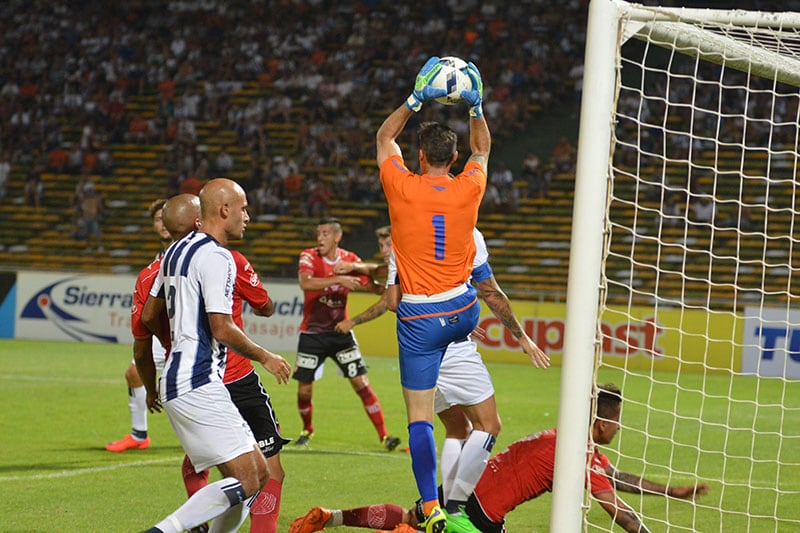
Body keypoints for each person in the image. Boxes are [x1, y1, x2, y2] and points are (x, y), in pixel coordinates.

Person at [290, 384, 710, 533]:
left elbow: (616, 478)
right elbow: (616, 508)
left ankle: (331, 517)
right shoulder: (580, 453)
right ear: (601, 424)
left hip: (466, 485)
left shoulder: (564, 439)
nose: (620, 429)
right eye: (617, 422)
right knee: (419, 526)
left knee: (417, 513)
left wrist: (672, 491)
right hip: (482, 515)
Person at [139, 178, 292, 533]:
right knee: (252, 478)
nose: (247, 217)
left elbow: (149, 316)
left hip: (181, 380)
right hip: (198, 382)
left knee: (257, 473)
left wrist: (175, 343)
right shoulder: (218, 257)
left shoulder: (174, 251)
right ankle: (165, 530)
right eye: (243, 208)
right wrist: (265, 356)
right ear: (224, 210)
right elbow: (222, 328)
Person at [375, 56, 488, 532]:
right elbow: (483, 150)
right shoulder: (470, 187)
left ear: (419, 157)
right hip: (464, 309)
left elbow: (384, 139)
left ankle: (431, 504)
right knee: (476, 419)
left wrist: (414, 99)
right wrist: (476, 107)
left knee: (419, 418)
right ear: (454, 158)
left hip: (421, 318)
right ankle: (461, 494)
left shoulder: (401, 186)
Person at [292, 217, 400, 451]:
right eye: (318, 233)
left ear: (337, 237)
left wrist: (389, 292)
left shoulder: (350, 259)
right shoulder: (309, 256)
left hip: (341, 333)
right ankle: (307, 429)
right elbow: (305, 283)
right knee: (305, 389)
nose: (320, 238)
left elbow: (371, 283)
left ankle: (384, 435)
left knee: (361, 383)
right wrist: (340, 279)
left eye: (325, 233)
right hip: (312, 334)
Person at [106, 198, 170, 452]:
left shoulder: (191, 250)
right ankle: (139, 434)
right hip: (165, 330)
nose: (163, 223)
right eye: (158, 219)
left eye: (167, 217)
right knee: (135, 374)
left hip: (190, 331)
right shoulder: (160, 257)